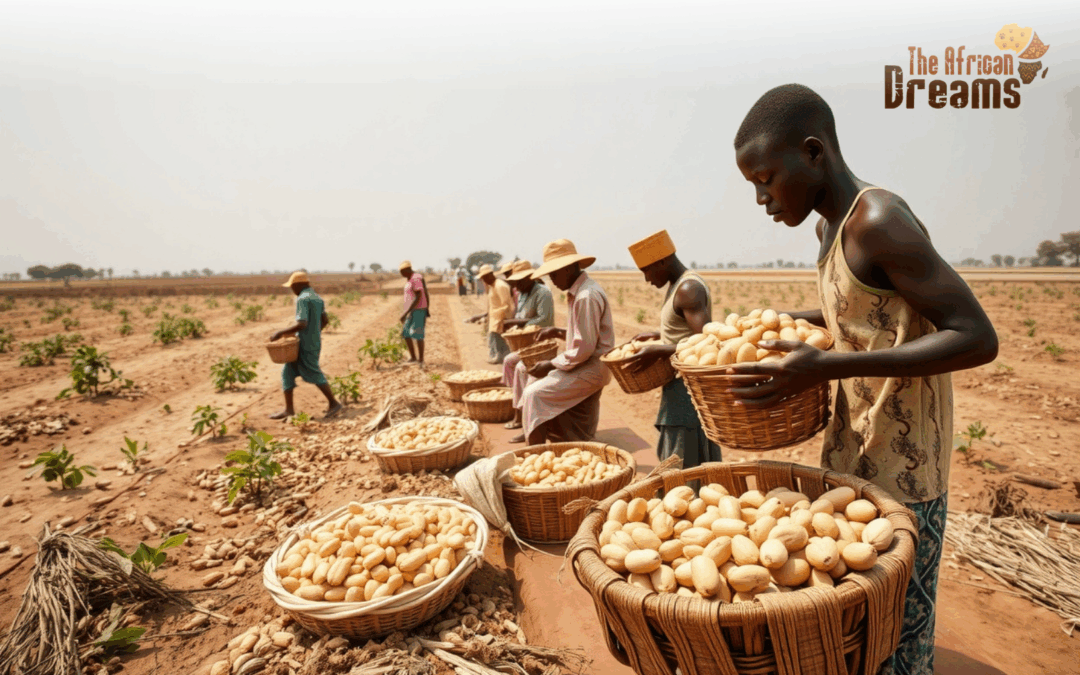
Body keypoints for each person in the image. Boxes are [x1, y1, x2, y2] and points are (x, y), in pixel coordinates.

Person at [727, 84, 998, 675]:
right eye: (753, 184)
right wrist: (769, 325)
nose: (761, 198)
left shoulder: (878, 221)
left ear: (814, 153)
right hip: (852, 455)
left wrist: (827, 367)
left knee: (900, 635)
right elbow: (852, 317)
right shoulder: (828, 233)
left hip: (907, 469)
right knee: (855, 629)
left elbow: (976, 336)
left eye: (767, 178)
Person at [621, 230, 722, 467]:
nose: (646, 279)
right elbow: (686, 331)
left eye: (647, 270)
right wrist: (658, 335)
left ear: (663, 261)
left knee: (681, 461)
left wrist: (660, 350)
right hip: (679, 386)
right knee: (687, 458)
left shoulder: (688, 289)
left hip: (685, 390)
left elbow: (705, 341)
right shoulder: (679, 285)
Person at [520, 239, 614, 444]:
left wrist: (551, 364)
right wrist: (558, 331)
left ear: (570, 267)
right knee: (532, 380)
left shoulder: (585, 296)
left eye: (554, 273)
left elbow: (584, 349)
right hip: (585, 362)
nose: (552, 280)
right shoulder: (580, 292)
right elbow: (586, 335)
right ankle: (540, 433)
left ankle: (533, 454)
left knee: (533, 394)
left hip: (592, 367)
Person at [269, 271, 344, 420]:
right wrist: (314, 332)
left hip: (304, 344)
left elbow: (302, 323)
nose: (292, 290)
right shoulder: (317, 298)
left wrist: (280, 333)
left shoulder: (303, 299)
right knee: (287, 373)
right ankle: (289, 410)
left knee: (314, 372)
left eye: (292, 287)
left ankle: (334, 403)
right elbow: (325, 320)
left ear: (298, 285)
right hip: (313, 341)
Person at [499, 260, 555, 436]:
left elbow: (544, 320)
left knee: (520, 368)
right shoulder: (522, 293)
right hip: (525, 343)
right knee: (508, 361)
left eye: (519, 281)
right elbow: (520, 315)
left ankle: (522, 415)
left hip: (540, 344)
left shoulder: (543, 293)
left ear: (530, 277)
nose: (516, 285)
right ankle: (516, 403)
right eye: (515, 281)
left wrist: (517, 322)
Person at [466, 264, 514, 364]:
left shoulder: (500, 286)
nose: (484, 280)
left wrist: (499, 319)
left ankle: (502, 358)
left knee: (500, 341)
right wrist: (486, 316)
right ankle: (498, 357)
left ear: (490, 275)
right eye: (483, 278)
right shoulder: (492, 286)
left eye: (485, 277)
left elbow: (506, 305)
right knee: (494, 340)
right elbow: (492, 305)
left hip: (500, 318)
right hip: (493, 319)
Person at [398, 261, 431, 367]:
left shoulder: (415, 278)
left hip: (418, 309)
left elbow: (419, 295)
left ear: (407, 270)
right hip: (412, 310)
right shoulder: (411, 278)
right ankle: (413, 357)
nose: (401, 274)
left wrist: (406, 313)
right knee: (406, 332)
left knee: (418, 334)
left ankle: (421, 360)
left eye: (402, 272)